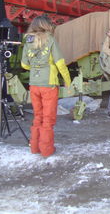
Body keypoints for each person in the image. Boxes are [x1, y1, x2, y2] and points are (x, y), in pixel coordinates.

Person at [21, 16, 71, 157]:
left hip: (34, 84)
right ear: (47, 26)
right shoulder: (50, 39)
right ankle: (47, 150)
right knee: (48, 119)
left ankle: (35, 148)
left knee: (38, 116)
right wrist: (67, 80)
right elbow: (60, 62)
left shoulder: (28, 40)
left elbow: (24, 65)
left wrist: (36, 65)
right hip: (48, 84)